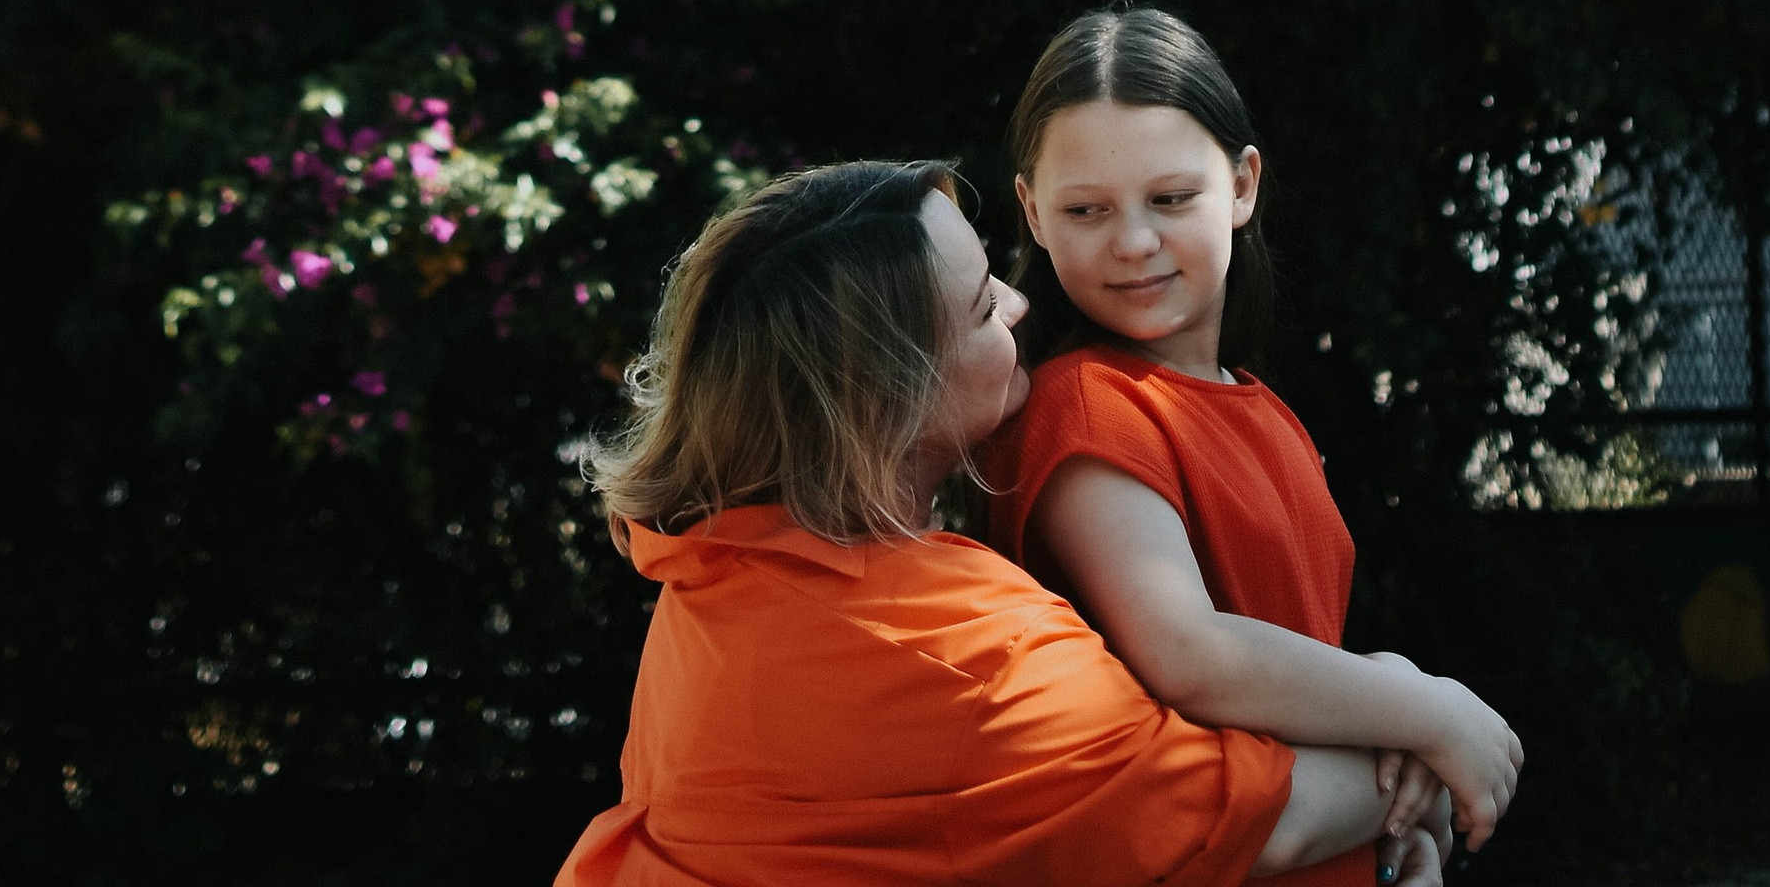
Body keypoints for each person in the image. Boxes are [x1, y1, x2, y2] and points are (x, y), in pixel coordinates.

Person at [556, 156, 1438, 887]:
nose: (1018, 307)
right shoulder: (954, 648)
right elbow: (1249, 821)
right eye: (982, 307)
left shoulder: (715, 567)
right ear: (890, 400)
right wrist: (1427, 727)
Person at [982, 7, 1524, 874]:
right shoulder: (1080, 403)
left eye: (1171, 198)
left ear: (1242, 185)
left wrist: (1395, 819)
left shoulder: (1264, 408)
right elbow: (1190, 655)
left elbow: (1290, 657)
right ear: (1032, 214)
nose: (1133, 242)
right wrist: (1429, 710)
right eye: (1086, 209)